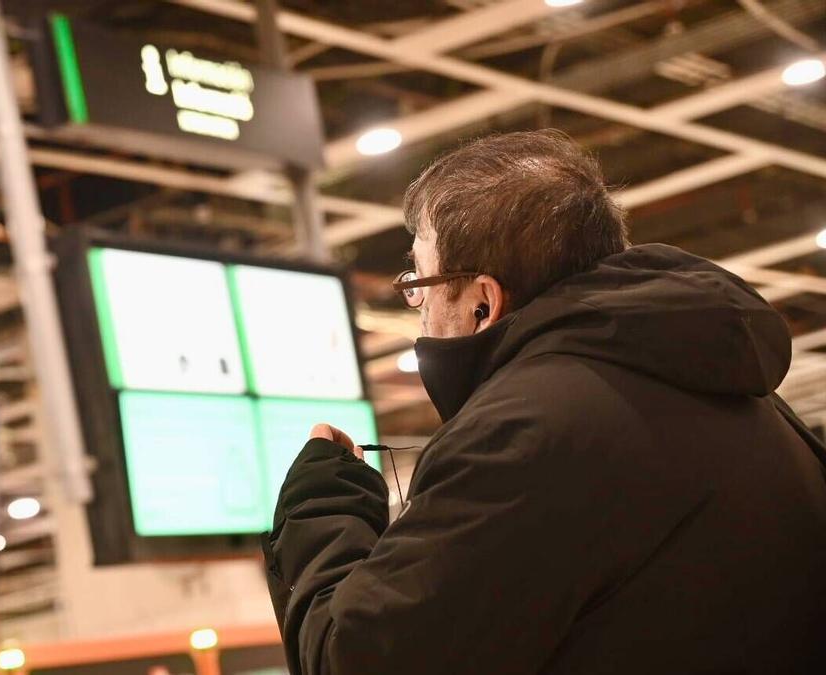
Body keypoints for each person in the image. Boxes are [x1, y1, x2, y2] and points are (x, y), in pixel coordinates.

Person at [262, 130, 826, 674]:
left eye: (421, 284)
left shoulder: (522, 436)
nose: (420, 309)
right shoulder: (753, 400)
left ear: (483, 303)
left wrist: (319, 508)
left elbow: (359, 660)